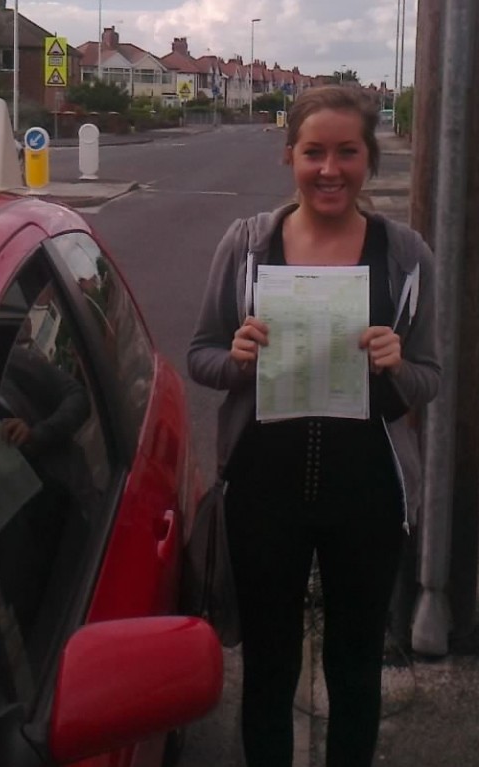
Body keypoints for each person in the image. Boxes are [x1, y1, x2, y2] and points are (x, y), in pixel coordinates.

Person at [187, 86, 440, 767]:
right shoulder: (247, 245)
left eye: (347, 152)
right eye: (314, 152)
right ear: (289, 156)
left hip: (368, 495)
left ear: (369, 157)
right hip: (264, 490)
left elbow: (431, 375)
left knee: (356, 667)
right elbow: (199, 356)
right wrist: (236, 358)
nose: (331, 169)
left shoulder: (406, 253)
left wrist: (398, 366)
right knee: (269, 667)